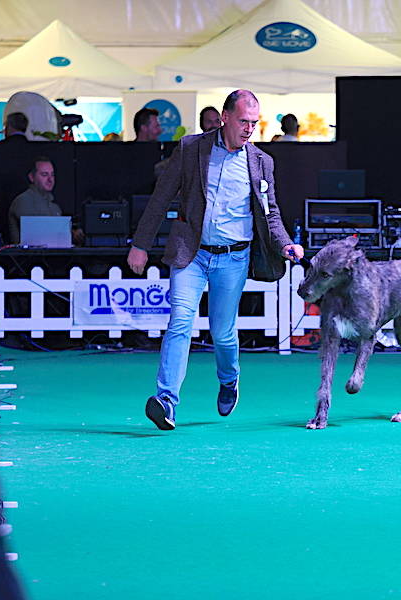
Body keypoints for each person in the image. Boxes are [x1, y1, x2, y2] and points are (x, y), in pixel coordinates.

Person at [127, 89, 304, 431]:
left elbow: (271, 214)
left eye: (255, 122)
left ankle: (229, 379)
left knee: (223, 332)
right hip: (191, 254)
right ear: (225, 117)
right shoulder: (191, 148)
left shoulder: (263, 161)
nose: (250, 128)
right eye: (243, 121)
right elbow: (161, 197)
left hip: (234, 258)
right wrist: (140, 244)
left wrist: (285, 244)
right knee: (180, 322)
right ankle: (166, 401)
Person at [7, 157, 84, 246]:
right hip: (30, 258)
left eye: (52, 175)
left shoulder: (54, 207)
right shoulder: (23, 201)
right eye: (44, 174)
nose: (50, 179)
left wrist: (74, 234)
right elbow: (38, 233)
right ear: (32, 177)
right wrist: (70, 234)